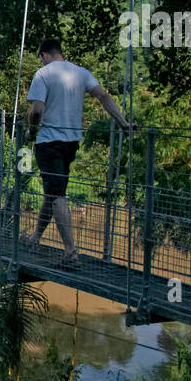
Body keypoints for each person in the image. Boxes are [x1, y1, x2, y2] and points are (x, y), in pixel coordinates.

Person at [23, 40, 132, 268]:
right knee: (53, 192)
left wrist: (31, 132)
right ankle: (35, 237)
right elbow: (103, 96)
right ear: (60, 53)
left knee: (56, 195)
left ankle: (71, 252)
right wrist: (123, 123)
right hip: (71, 143)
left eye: (41, 57)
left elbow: (37, 110)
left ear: (44, 55)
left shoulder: (43, 74)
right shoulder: (81, 73)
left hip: (49, 142)